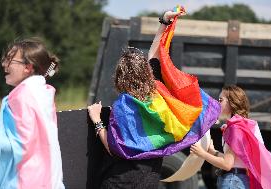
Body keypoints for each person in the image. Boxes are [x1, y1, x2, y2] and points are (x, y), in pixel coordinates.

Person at [87, 7, 221, 189]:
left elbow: (114, 148)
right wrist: (165, 21)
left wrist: (97, 121)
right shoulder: (159, 96)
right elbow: (155, 53)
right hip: (149, 180)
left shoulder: (123, 106)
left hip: (120, 181)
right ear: (146, 73)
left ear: (120, 77)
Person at [0, 38, 65, 189]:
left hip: (23, 183)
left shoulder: (19, 97)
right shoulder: (44, 93)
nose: (3, 64)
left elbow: (16, 146)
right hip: (51, 182)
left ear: (27, 67)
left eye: (9, 60)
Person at [190, 85, 271, 189]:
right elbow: (235, 161)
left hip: (232, 181)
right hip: (237, 180)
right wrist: (212, 151)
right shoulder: (242, 126)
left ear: (231, 103)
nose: (218, 103)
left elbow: (227, 164)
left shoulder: (234, 129)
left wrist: (202, 154)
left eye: (220, 100)